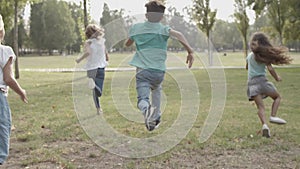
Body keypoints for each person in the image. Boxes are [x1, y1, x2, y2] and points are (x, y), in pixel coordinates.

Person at [125, 0, 194, 131]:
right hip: (158, 71)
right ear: (162, 17)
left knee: (142, 98)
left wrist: (134, 39)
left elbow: (127, 43)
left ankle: (146, 110)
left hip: (142, 71)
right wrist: (190, 51)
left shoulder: (136, 28)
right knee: (156, 89)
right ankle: (155, 118)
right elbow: (179, 35)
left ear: (146, 15)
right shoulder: (163, 29)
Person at [246, 32, 292, 138]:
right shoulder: (264, 57)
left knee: (260, 108)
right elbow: (270, 69)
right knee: (277, 97)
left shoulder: (249, 57)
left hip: (252, 84)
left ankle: (265, 125)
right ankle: (273, 116)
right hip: (262, 82)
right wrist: (277, 78)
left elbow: (247, 68)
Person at [0, 14, 28, 165]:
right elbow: (8, 78)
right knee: (3, 128)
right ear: (1, 32)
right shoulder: (4, 51)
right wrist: (21, 91)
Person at [76, 24, 109, 115]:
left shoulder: (88, 42)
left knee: (95, 91)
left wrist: (79, 59)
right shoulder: (101, 41)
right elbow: (106, 55)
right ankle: (98, 108)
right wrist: (105, 58)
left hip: (91, 69)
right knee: (99, 91)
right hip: (101, 68)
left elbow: (88, 52)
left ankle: (98, 109)